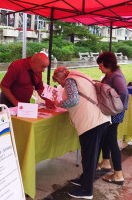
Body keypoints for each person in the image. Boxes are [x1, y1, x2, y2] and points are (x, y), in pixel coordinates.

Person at [52, 66, 110, 199]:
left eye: (58, 81)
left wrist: (59, 103)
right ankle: (85, 179)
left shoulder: (70, 80)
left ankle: (87, 190)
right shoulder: (81, 76)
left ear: (61, 77)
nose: (60, 85)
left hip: (91, 122)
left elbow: (73, 100)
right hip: (101, 118)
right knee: (92, 154)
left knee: (89, 156)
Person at [95, 52, 129, 185]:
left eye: (100, 65)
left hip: (114, 114)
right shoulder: (110, 75)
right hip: (111, 113)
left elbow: (124, 93)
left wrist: (116, 107)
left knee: (112, 142)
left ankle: (118, 174)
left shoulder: (116, 77)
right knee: (106, 138)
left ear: (106, 64)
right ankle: (106, 162)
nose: (99, 68)